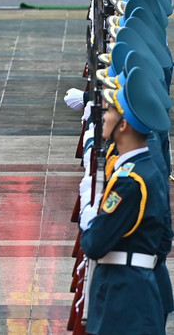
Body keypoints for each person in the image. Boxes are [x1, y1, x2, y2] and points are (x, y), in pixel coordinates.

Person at [80, 65, 171, 335]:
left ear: (124, 124)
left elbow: (95, 244)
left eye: (109, 111)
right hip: (139, 290)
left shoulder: (130, 181)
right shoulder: (148, 170)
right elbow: (164, 239)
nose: (103, 116)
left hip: (123, 300)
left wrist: (90, 220)